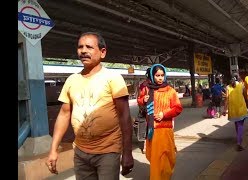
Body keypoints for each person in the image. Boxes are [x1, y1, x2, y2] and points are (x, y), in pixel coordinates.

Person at [46, 32, 134, 179]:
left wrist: (127, 152)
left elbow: (124, 117)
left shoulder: (113, 79)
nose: (84, 51)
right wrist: (53, 150)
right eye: (80, 47)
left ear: (102, 52)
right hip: (80, 152)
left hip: (108, 151)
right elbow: (64, 114)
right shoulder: (71, 80)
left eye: (89, 47)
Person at [137, 64, 183, 180]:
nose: (160, 78)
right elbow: (140, 101)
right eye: (157, 75)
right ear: (152, 76)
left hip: (165, 129)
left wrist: (164, 114)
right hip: (152, 130)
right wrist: (143, 100)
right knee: (155, 158)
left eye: (162, 75)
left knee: (168, 156)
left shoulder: (170, 91)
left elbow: (177, 108)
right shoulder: (147, 89)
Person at [223, 74, 248, 151]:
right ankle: (239, 143)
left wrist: (224, 110)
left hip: (233, 109)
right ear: (238, 78)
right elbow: (245, 96)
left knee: (237, 124)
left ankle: (239, 138)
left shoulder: (227, 87)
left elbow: (226, 99)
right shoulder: (241, 85)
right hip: (241, 108)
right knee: (240, 125)